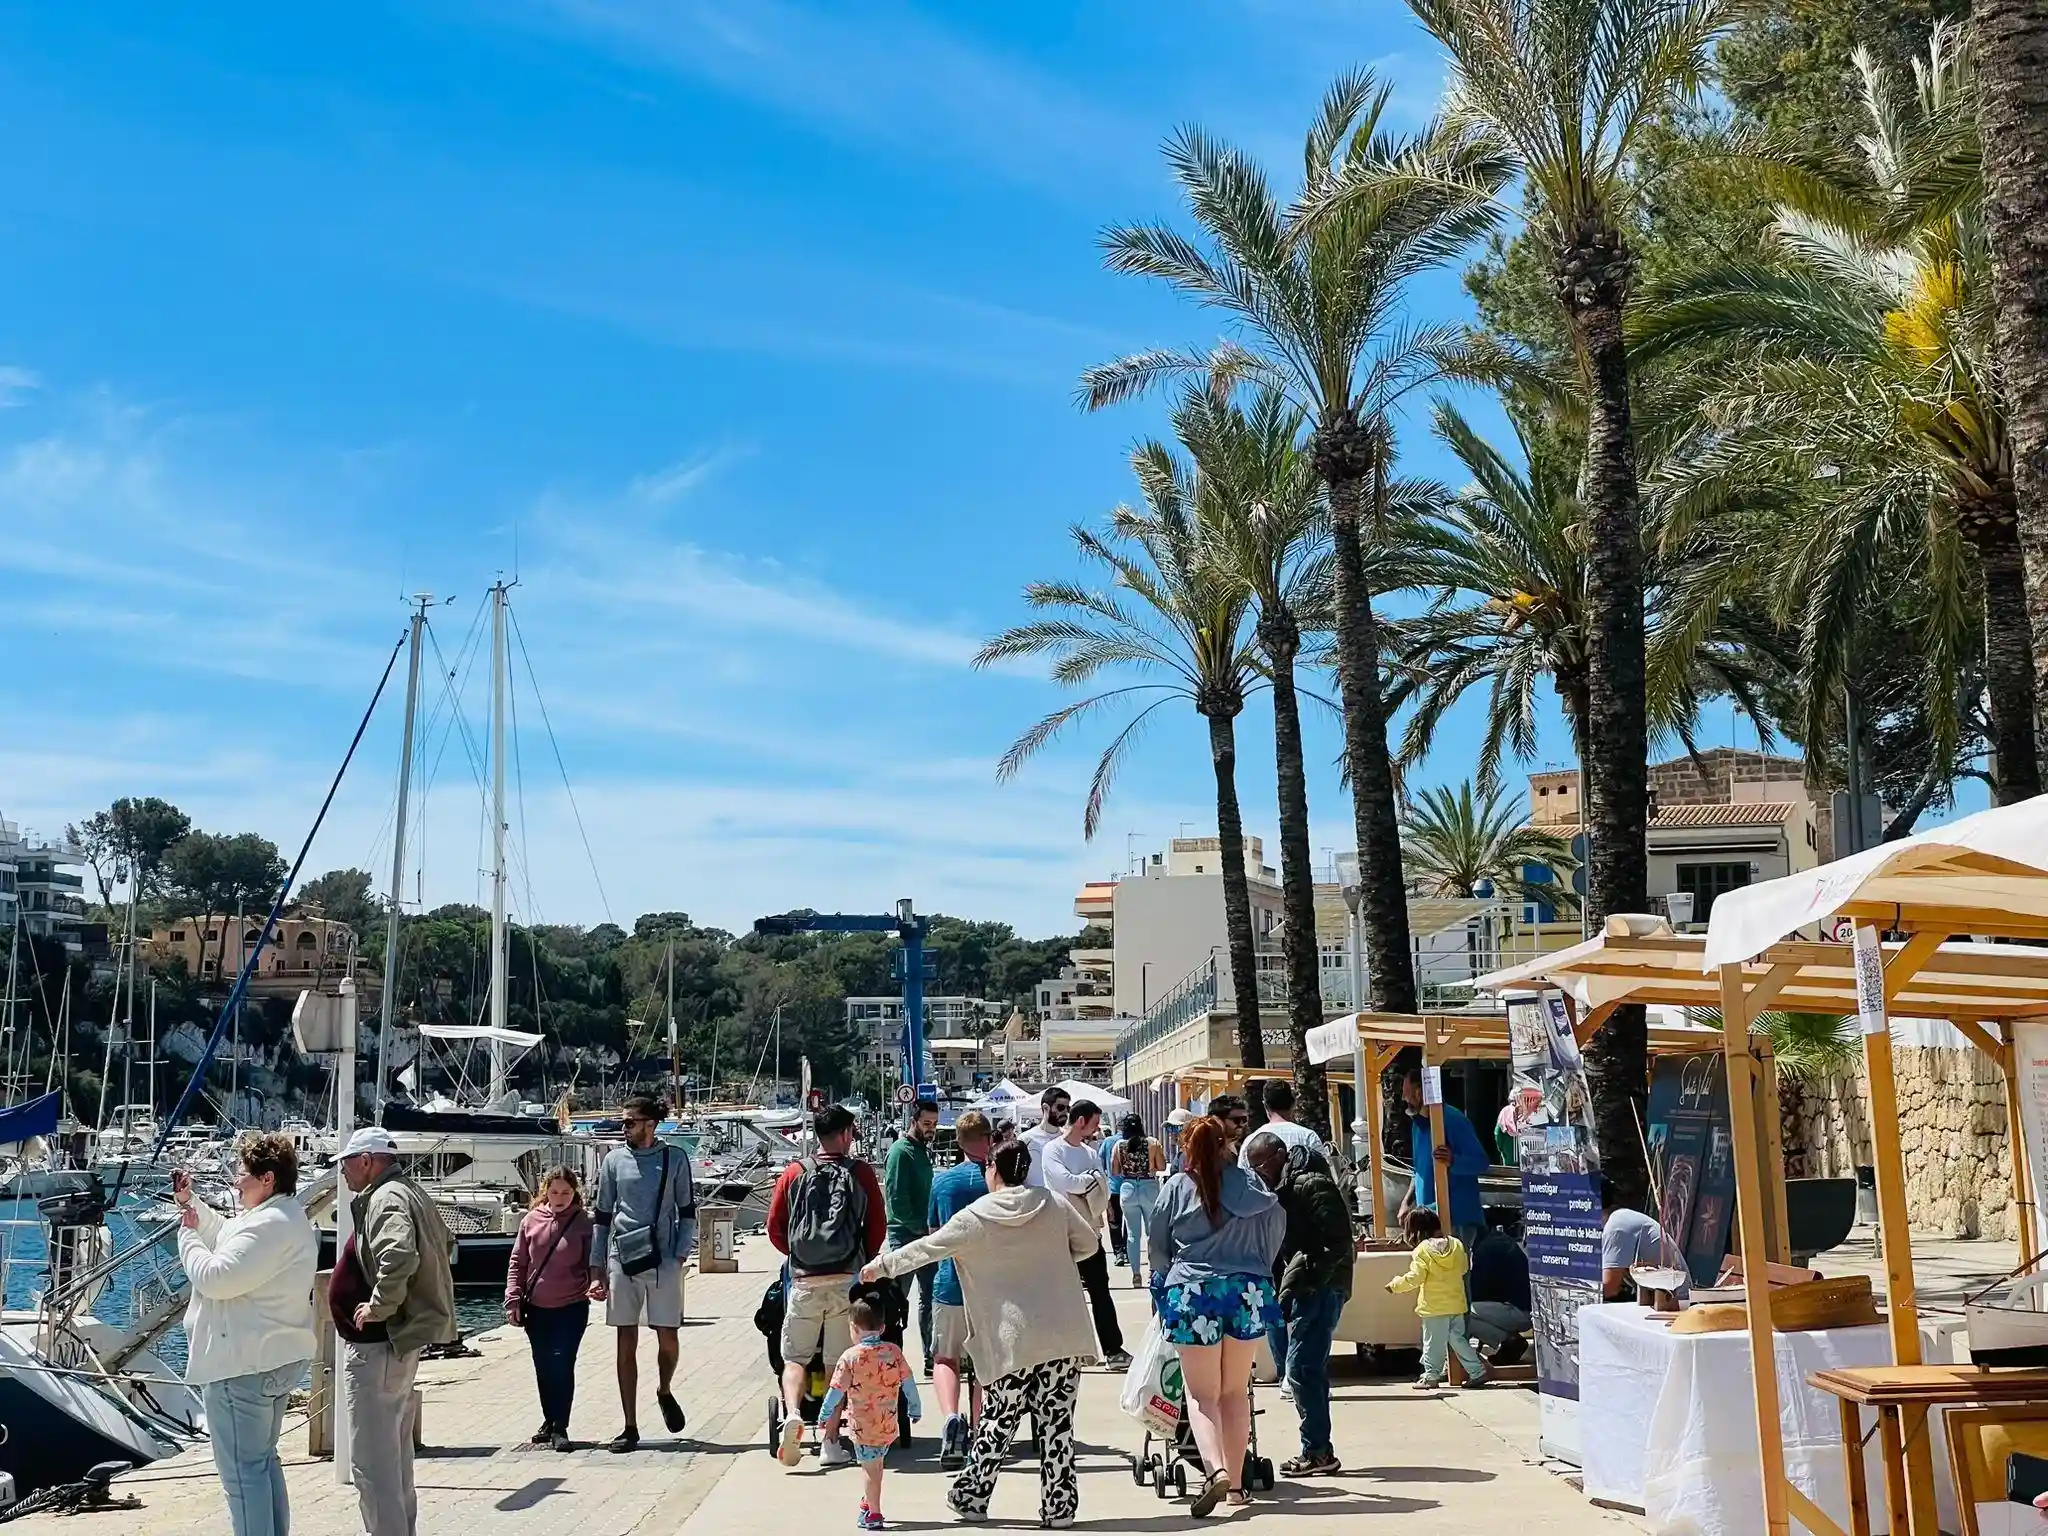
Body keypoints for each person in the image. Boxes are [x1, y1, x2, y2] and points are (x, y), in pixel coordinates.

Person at [863, 1141, 1098, 1528]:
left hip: (1011, 1339)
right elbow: (1088, 1244)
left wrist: (882, 1266)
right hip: (1062, 1334)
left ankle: (972, 1496)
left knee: (997, 1421)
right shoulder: (1054, 1203)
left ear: (993, 1170)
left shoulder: (975, 1217)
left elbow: (926, 1249)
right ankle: (1059, 1508)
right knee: (1057, 1425)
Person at [176, 1131, 317, 1536]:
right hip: (269, 1361)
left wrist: (186, 1235)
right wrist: (192, 1206)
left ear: (267, 1178)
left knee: (242, 1478)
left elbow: (216, 1277)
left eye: (241, 1174)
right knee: (261, 1463)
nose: (236, 1182)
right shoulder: (279, 1216)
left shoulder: (269, 1224)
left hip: (241, 1366)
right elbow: (225, 1234)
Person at [1149, 1115, 1285, 1516]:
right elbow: (1275, 1226)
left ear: (1185, 1148)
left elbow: (1158, 1247)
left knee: (1202, 1394)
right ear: (1228, 1144)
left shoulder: (1177, 1188)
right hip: (1246, 1289)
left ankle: (1215, 1470)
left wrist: (1168, 1275)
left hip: (1192, 1290)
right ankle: (1238, 1487)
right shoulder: (1252, 1185)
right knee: (1234, 1391)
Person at [332, 1126, 457, 1536]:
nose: (344, 1173)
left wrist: (381, 1305)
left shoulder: (385, 1198)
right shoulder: (410, 1190)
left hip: (378, 1349)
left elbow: (399, 1253)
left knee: (372, 1465)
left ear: (367, 1161)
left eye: (347, 1164)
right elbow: (447, 1242)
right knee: (395, 1460)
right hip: (396, 1345)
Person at [769, 1103, 888, 1467]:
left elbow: (775, 1227)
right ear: (846, 1134)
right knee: (840, 1363)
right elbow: (878, 1224)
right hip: (845, 1278)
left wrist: (797, 1257)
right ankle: (832, 1442)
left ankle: (792, 1414)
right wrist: (862, 1259)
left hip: (805, 1279)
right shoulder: (860, 1172)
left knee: (794, 1357)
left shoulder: (793, 1172)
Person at [589, 1094, 697, 1452]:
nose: (624, 1128)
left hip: (664, 1257)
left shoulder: (674, 1158)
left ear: (651, 1124)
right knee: (625, 1339)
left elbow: (687, 1210)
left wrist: (680, 1253)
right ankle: (630, 1424)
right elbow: (602, 1216)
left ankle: (664, 1388)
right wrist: (597, 1266)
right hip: (623, 1257)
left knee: (667, 1335)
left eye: (631, 1122)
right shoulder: (613, 1161)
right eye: (623, 1121)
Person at [1243, 1132, 1352, 1478]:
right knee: (1309, 1369)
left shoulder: (1310, 1184)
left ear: (1278, 1156)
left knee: (1302, 1367)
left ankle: (1317, 1451)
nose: (1258, 1172)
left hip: (1320, 1288)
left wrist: (1311, 1281)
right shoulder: (1287, 1187)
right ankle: (1319, 1449)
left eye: (1260, 1165)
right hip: (1308, 1286)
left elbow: (1336, 1240)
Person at [506, 1165, 595, 1450]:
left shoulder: (584, 1222)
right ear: (545, 1191)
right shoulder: (531, 1220)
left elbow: (594, 1262)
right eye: (554, 1191)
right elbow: (518, 1262)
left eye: (566, 1192)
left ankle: (560, 1426)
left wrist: (597, 1282)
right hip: (537, 1306)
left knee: (562, 1363)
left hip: (571, 1305)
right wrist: (513, 1297)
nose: (560, 1197)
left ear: (574, 1193)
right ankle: (549, 1418)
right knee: (543, 1365)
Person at [820, 1289, 923, 1531]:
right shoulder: (893, 1352)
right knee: (876, 1466)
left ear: (854, 1328)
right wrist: (915, 1408)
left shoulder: (850, 1357)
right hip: (887, 1423)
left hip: (863, 1426)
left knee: (870, 1470)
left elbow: (836, 1390)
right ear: (883, 1327)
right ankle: (868, 1501)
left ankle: (874, 1513)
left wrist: (824, 1415)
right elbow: (908, 1382)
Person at [927, 1109, 993, 1470]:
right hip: (990, 1286)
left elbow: (932, 1231)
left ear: (959, 1143)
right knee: (985, 1363)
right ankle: (982, 1429)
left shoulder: (943, 1183)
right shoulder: (998, 1181)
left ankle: (951, 1418)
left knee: (945, 1358)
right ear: (988, 1140)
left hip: (949, 1282)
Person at [1039, 1099, 1127, 1368]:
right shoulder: (1052, 1150)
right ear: (1081, 1121)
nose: (1097, 1129)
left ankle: (1113, 1349)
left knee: (1101, 1291)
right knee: (1063, 1294)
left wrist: (1086, 1182)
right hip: (1060, 1233)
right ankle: (1064, 1351)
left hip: (1090, 1232)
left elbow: (1102, 1185)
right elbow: (1065, 1181)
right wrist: (1090, 1181)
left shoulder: (1090, 1153)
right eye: (1095, 1123)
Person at [1386, 1207, 1487, 1390]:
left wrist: (1395, 1285)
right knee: (1458, 1339)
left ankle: (1431, 1375)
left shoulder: (1422, 1250)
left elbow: (1415, 1278)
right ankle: (1477, 1371)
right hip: (1457, 1303)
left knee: (1432, 1343)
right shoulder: (1456, 1244)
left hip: (1434, 1307)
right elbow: (1464, 1269)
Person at [1396, 1070, 1492, 1252]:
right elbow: (1418, 1170)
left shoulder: (1453, 1120)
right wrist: (1407, 1202)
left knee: (1456, 1277)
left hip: (1457, 1220)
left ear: (1419, 1093)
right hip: (1428, 1221)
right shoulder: (1417, 1126)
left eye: (1406, 1092)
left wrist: (1453, 1160)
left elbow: (1481, 1162)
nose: (1403, 1098)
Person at [883, 1098, 940, 1375]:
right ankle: (890, 1360)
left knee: (929, 1299)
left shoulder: (921, 1151)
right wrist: (922, 1227)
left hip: (926, 1238)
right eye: (926, 1123)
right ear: (913, 1120)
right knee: (896, 1303)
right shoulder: (900, 1152)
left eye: (935, 1124)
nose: (931, 1129)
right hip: (904, 1238)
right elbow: (896, 1201)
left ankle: (931, 1358)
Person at [1600, 1176, 1684, 1301]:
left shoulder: (1616, 1226)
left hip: (1674, 1303)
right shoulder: (1617, 1220)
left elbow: (1609, 1288)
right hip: (1655, 1299)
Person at [1111, 1114, 1165, 1288]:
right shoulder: (1152, 1143)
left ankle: (1136, 1274)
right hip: (1149, 1185)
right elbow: (1162, 1166)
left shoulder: (1119, 1145)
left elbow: (1115, 1171)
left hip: (1128, 1188)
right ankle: (1152, 1270)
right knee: (1152, 1233)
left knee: (1133, 1235)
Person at [1465, 1226, 1532, 1365]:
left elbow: (1477, 1291)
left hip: (1517, 1310)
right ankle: (1510, 1342)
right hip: (1523, 1308)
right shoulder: (1497, 1241)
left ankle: (1508, 1340)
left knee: (1460, 1315)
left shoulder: (1485, 1249)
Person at [1236, 1081, 1327, 1167]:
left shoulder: (1250, 1141)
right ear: (1293, 1103)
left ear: (1265, 1105)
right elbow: (1324, 1174)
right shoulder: (1308, 1137)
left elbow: (1243, 1178)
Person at [1022, 1085, 1071, 1186]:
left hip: (1059, 1200)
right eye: (1061, 1107)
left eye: (1068, 1108)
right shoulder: (1026, 1139)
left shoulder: (1067, 1138)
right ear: (1045, 1108)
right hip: (1033, 1199)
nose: (1065, 1112)